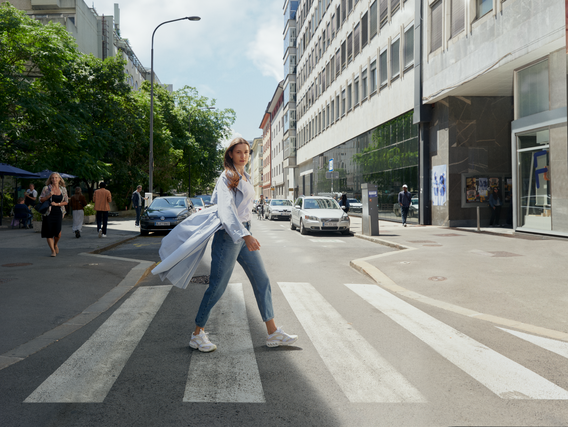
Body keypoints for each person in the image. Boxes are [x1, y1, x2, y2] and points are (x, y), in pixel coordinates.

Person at [190, 137, 298, 352]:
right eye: (239, 152)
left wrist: (247, 233)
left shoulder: (245, 176)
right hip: (229, 237)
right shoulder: (226, 178)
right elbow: (226, 211)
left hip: (244, 232)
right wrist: (245, 234)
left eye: (247, 152)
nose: (244, 156)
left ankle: (272, 332)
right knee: (218, 286)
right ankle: (197, 334)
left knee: (262, 280)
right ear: (230, 154)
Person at [39, 173, 68, 257]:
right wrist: (49, 196)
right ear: (50, 179)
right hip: (48, 213)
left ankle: (55, 244)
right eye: (52, 178)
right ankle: (52, 250)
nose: (54, 179)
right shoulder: (46, 188)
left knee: (58, 233)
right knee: (49, 232)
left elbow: (66, 202)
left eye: (56, 178)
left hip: (58, 212)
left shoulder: (63, 189)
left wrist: (57, 204)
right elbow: (41, 200)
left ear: (59, 179)